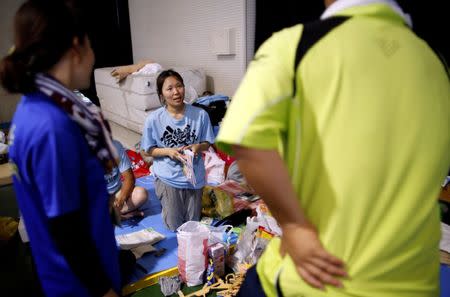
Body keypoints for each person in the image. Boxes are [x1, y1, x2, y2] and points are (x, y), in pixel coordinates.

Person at [216, 0, 450, 296]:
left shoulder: (297, 45)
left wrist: (296, 227)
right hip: (416, 279)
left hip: (322, 279)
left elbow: (247, 141)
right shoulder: (434, 62)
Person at [0, 1, 122, 296]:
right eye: (91, 46)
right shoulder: (52, 125)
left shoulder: (34, 107)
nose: (93, 58)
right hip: (79, 284)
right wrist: (103, 289)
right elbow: (66, 229)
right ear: (76, 46)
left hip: (64, 272)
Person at [141, 69, 215, 231]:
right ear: (161, 94)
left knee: (192, 224)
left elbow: (207, 142)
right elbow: (147, 150)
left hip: (194, 177)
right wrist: (168, 152)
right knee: (174, 226)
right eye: (169, 88)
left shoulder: (200, 115)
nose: (176, 92)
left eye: (179, 86)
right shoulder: (153, 119)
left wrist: (198, 147)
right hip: (169, 177)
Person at [106, 139, 148, 219]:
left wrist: (121, 200)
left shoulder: (115, 146)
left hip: (116, 193)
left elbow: (129, 178)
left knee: (141, 194)